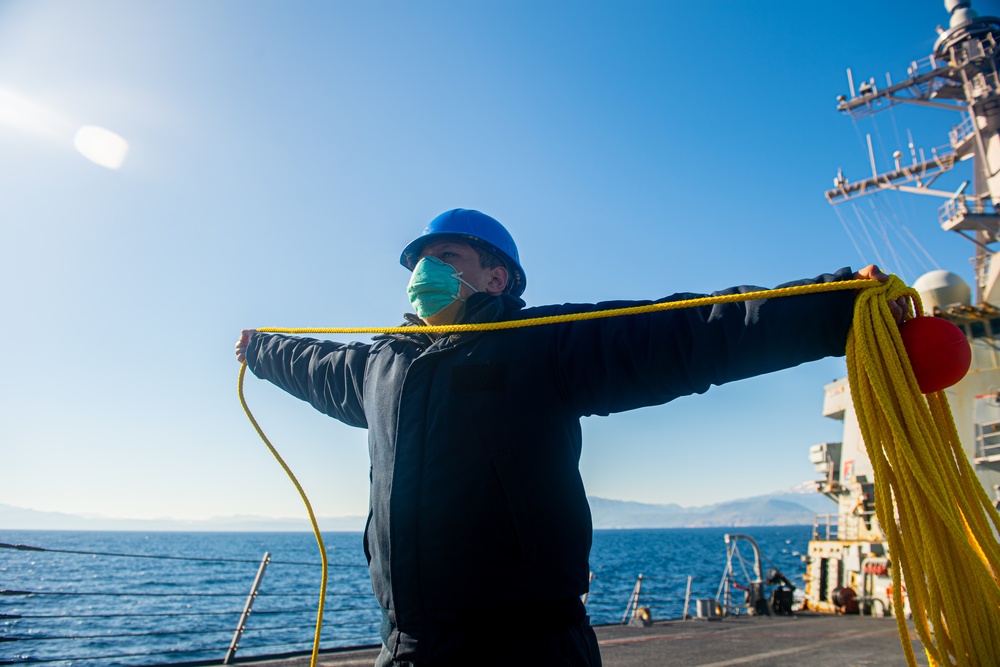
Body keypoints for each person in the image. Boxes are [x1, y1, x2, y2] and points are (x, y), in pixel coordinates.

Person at [235, 208, 898, 666]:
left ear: (496, 277)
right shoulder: (378, 366)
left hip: (528, 650)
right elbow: (313, 362)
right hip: (406, 648)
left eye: (445, 257)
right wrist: (260, 349)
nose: (423, 272)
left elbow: (688, 332)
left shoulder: (540, 345)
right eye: (418, 262)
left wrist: (831, 305)